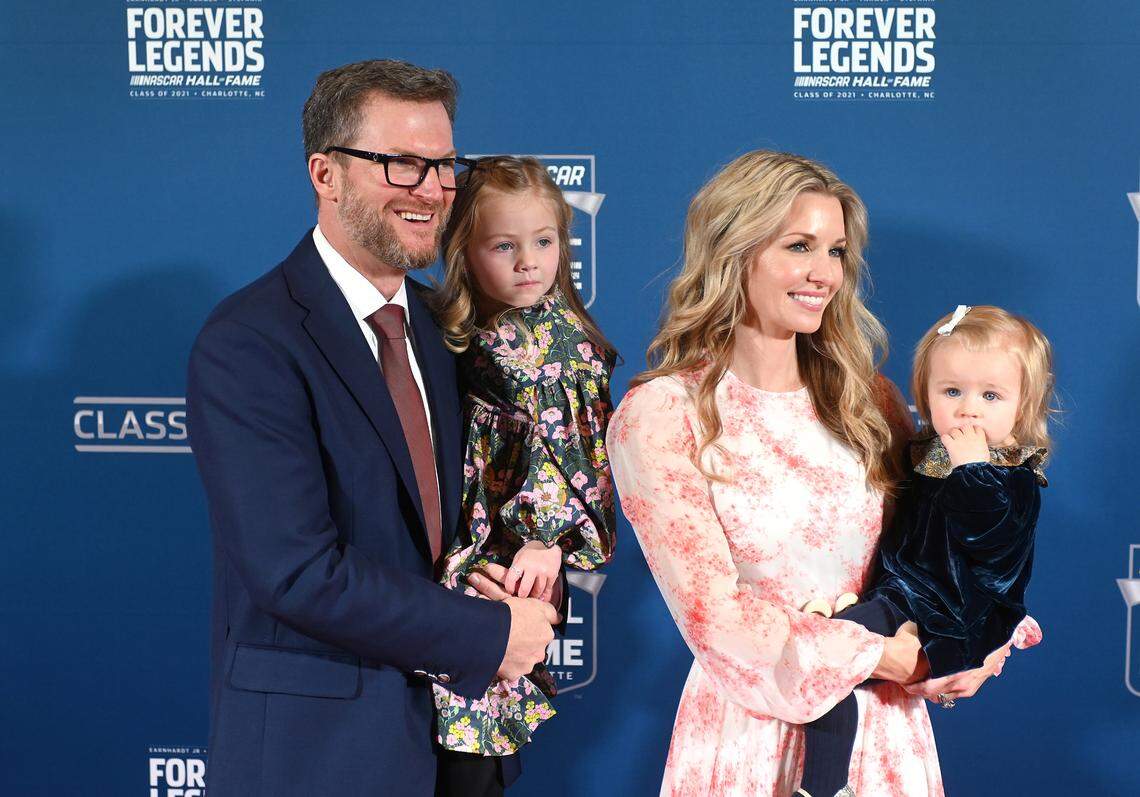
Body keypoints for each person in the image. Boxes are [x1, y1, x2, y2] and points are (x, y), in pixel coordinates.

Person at [186, 60, 558, 797]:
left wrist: (532, 582)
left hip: (463, 749)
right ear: (325, 173)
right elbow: (294, 569)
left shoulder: (452, 330)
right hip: (318, 759)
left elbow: (490, 514)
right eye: (401, 163)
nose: (432, 189)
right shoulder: (251, 341)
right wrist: (486, 634)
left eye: (444, 165)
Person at [607, 150, 1011, 796]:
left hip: (883, 733)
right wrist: (877, 655)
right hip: (751, 734)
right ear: (733, 251)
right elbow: (716, 620)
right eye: (800, 246)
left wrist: (976, 640)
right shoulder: (662, 415)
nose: (824, 272)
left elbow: (937, 549)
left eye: (836, 251)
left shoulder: (867, 401)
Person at [797, 304, 1052, 797]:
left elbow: (995, 548)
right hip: (900, 597)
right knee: (827, 657)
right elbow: (899, 536)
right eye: (951, 391)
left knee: (831, 657)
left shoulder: (1011, 479)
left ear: (1023, 407)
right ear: (925, 395)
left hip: (950, 615)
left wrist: (972, 471)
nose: (968, 408)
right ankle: (826, 786)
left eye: (991, 395)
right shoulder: (927, 455)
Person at [428, 155, 618, 793]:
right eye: (503, 245)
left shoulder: (564, 344)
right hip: (455, 555)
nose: (528, 261)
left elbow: (586, 457)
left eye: (544, 242)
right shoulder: (455, 331)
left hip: (513, 561)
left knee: (474, 737)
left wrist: (548, 539)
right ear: (463, 250)